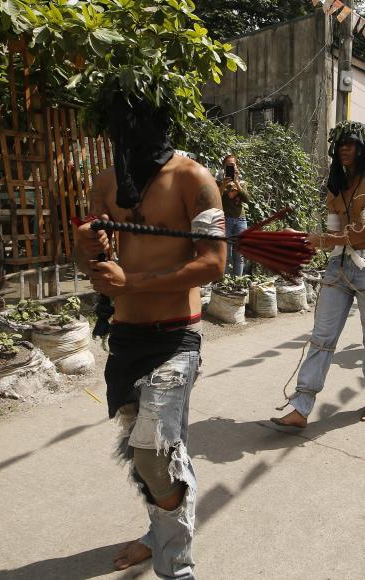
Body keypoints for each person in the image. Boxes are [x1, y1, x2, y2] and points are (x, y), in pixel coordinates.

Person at [75, 94, 226, 578]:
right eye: (120, 121)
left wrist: (132, 283)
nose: (128, 130)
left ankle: (177, 569)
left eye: (137, 118)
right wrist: (87, 247)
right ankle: (158, 532)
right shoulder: (106, 183)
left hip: (175, 339)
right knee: (152, 455)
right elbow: (96, 269)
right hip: (125, 337)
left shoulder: (193, 178)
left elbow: (214, 263)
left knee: (154, 454)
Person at [271, 121, 365, 428]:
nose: (344, 148)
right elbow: (334, 233)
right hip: (339, 265)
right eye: (340, 144)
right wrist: (299, 244)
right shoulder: (335, 187)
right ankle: (301, 406)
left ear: (364, 149)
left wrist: (316, 238)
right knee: (321, 338)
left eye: (350, 144)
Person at [218, 154, 250, 277]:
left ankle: (237, 283)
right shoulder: (220, 182)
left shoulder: (242, 183)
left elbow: (247, 199)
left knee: (239, 255)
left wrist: (237, 183)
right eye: (228, 165)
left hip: (241, 220)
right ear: (224, 167)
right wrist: (223, 186)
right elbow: (215, 198)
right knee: (225, 255)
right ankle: (224, 284)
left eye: (233, 165)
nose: (231, 167)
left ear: (237, 167)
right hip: (225, 219)